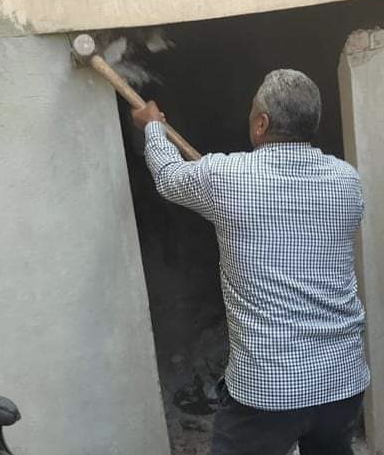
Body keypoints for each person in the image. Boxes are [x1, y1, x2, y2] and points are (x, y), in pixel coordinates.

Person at [132, 69, 369, 455]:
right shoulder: (347, 180)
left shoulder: (225, 176)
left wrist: (153, 127)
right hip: (342, 380)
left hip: (268, 391)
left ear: (261, 123)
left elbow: (169, 175)